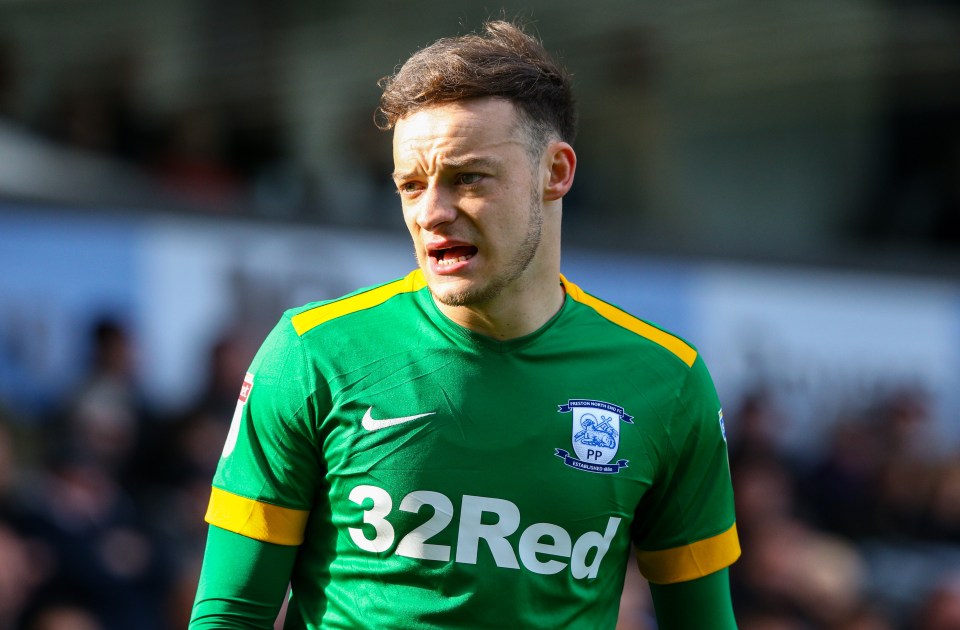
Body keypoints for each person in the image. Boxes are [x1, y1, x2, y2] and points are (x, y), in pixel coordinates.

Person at [190, 20, 739, 629]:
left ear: (555, 172)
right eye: (410, 185)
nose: (431, 213)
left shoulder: (667, 381)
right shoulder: (312, 353)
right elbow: (230, 614)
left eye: (467, 178)